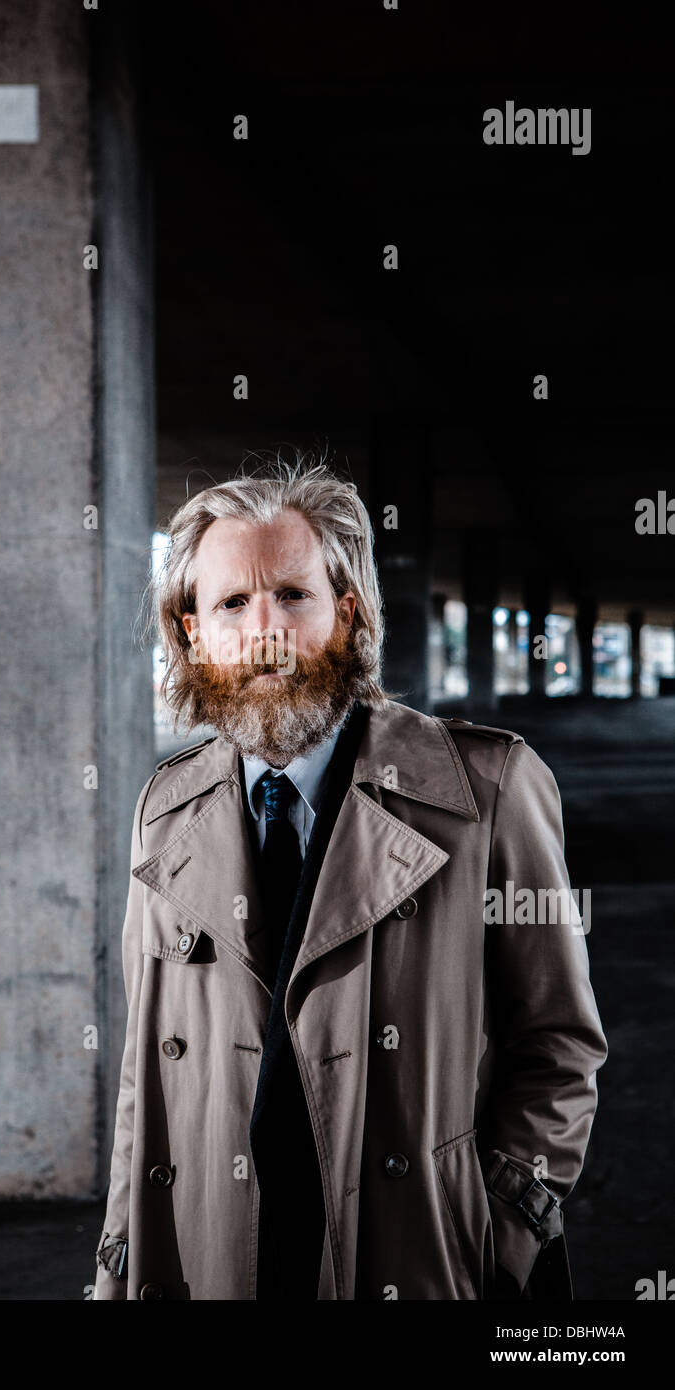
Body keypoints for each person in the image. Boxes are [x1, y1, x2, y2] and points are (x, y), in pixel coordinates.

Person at [92, 455, 607, 1301]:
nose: (265, 630)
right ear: (191, 633)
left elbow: (559, 1045)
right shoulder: (164, 809)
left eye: (293, 595)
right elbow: (143, 1076)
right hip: (213, 1259)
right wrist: (119, 1260)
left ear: (348, 612)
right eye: (231, 603)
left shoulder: (488, 791)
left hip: (411, 1257)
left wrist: (499, 1232)